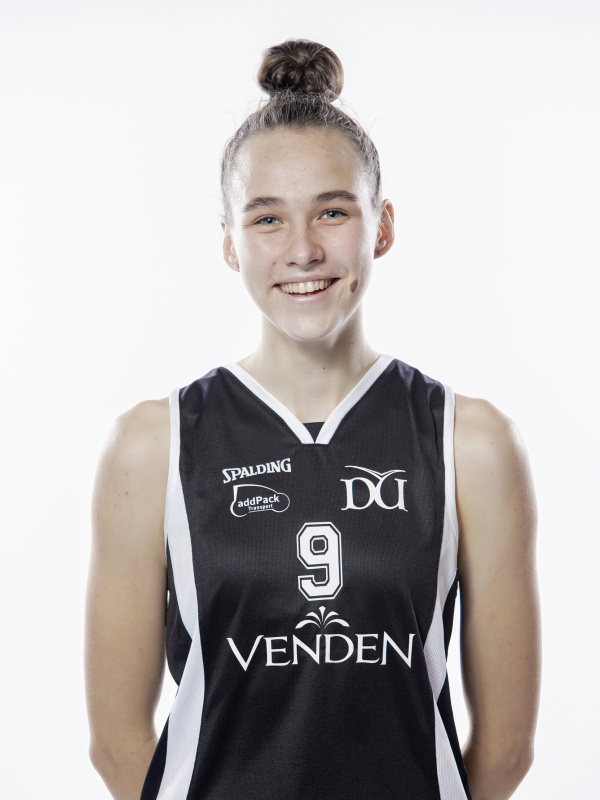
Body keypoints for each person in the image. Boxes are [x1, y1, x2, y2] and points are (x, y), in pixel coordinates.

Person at [85, 39, 541, 800]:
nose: (302, 250)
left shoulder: (471, 443)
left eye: (333, 211)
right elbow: (117, 745)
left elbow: (506, 751)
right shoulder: (154, 445)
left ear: (382, 226)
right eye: (267, 219)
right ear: (229, 241)